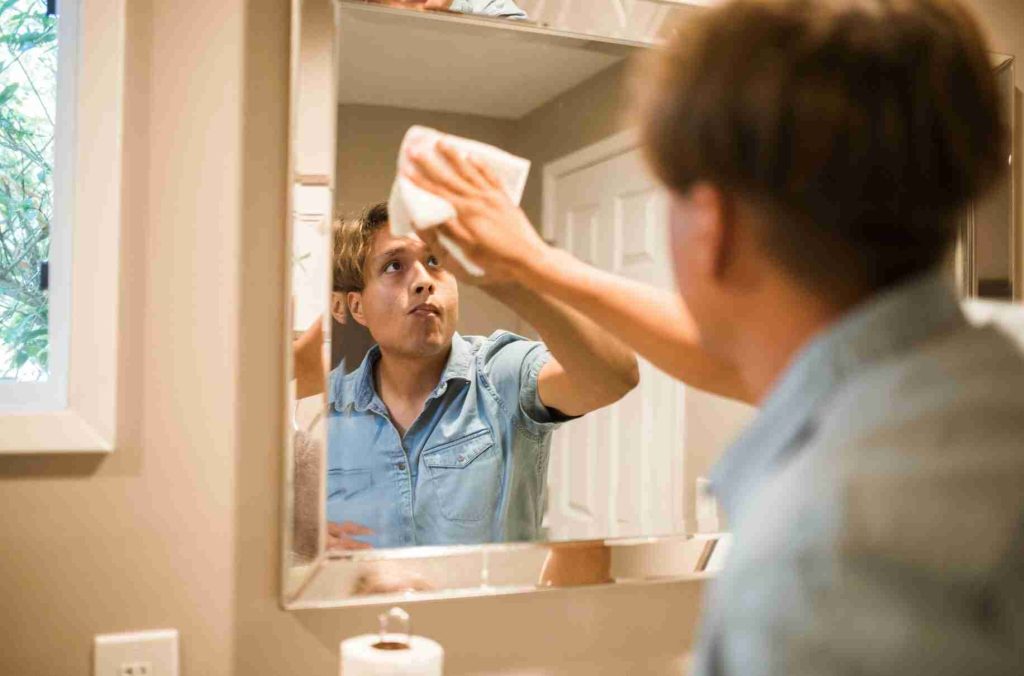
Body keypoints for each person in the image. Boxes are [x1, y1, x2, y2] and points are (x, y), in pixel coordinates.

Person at [404, 0, 1024, 673]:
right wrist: (537, 265)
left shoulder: (818, 556)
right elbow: (769, 366)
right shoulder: (986, 361)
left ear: (711, 226)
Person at [326, 202, 638, 549]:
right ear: (357, 307)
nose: (423, 281)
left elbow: (615, 376)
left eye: (435, 261)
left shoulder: (502, 374)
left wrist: (512, 277)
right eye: (394, 266)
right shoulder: (328, 409)